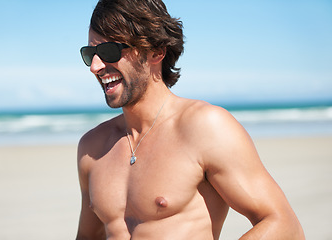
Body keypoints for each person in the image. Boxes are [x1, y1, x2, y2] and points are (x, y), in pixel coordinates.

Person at [76, 0, 305, 239]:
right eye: (90, 53)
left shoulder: (205, 127)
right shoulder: (92, 148)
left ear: (156, 51)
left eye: (108, 51)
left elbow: (285, 225)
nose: (95, 66)